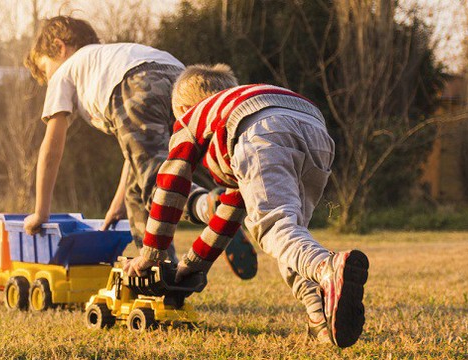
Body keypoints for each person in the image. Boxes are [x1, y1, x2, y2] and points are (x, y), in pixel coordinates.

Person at [123, 64, 370, 348]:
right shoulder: (234, 108)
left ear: (182, 108)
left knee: (274, 228)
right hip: (316, 130)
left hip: (264, 131)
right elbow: (228, 214)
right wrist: (190, 268)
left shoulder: (194, 116)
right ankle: (320, 319)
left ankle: (326, 266)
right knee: (290, 236)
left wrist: (151, 253)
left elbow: (170, 182)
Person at [21, 16, 223, 264]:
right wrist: (118, 205)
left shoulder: (66, 70)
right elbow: (137, 154)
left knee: (158, 187)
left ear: (59, 47)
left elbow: (51, 149)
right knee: (137, 193)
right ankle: (160, 269)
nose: (48, 80)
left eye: (45, 70)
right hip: (182, 79)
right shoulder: (109, 59)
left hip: (137, 81)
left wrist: (41, 213)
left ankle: (208, 207)